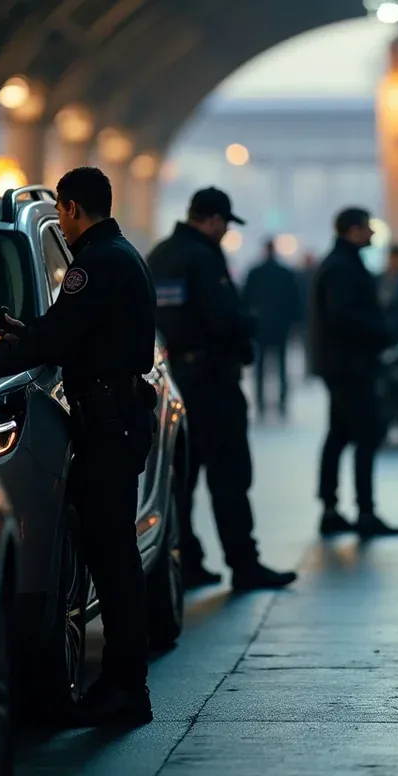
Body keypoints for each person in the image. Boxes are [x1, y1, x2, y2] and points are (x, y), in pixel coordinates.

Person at [0, 167, 157, 724]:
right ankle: (123, 684)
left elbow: (62, 334)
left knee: (112, 560)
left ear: (71, 206)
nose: (60, 217)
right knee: (114, 558)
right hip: (118, 420)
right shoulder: (118, 255)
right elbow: (71, 330)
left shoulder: (95, 263)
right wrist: (24, 334)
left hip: (108, 425)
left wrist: (6, 355)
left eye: (61, 208)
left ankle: (125, 689)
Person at [147, 187, 297, 591]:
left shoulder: (161, 255)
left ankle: (187, 561)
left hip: (173, 379)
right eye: (225, 224)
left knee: (181, 478)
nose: (225, 231)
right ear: (213, 219)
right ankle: (244, 565)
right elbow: (224, 318)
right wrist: (249, 325)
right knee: (230, 477)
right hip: (213, 383)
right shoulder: (204, 257)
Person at [310, 207, 398, 539]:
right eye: (367, 228)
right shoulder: (342, 268)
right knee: (366, 434)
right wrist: (382, 331)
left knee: (339, 434)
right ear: (352, 230)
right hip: (351, 367)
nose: (372, 234)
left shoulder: (339, 264)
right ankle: (365, 511)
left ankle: (331, 508)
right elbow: (345, 317)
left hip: (342, 365)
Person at [241, 238, 301, 418]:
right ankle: (282, 402)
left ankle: (260, 403)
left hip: (261, 325)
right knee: (282, 365)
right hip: (280, 325)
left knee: (260, 366)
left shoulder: (255, 272)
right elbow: (294, 299)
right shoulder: (285, 273)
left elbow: (245, 299)